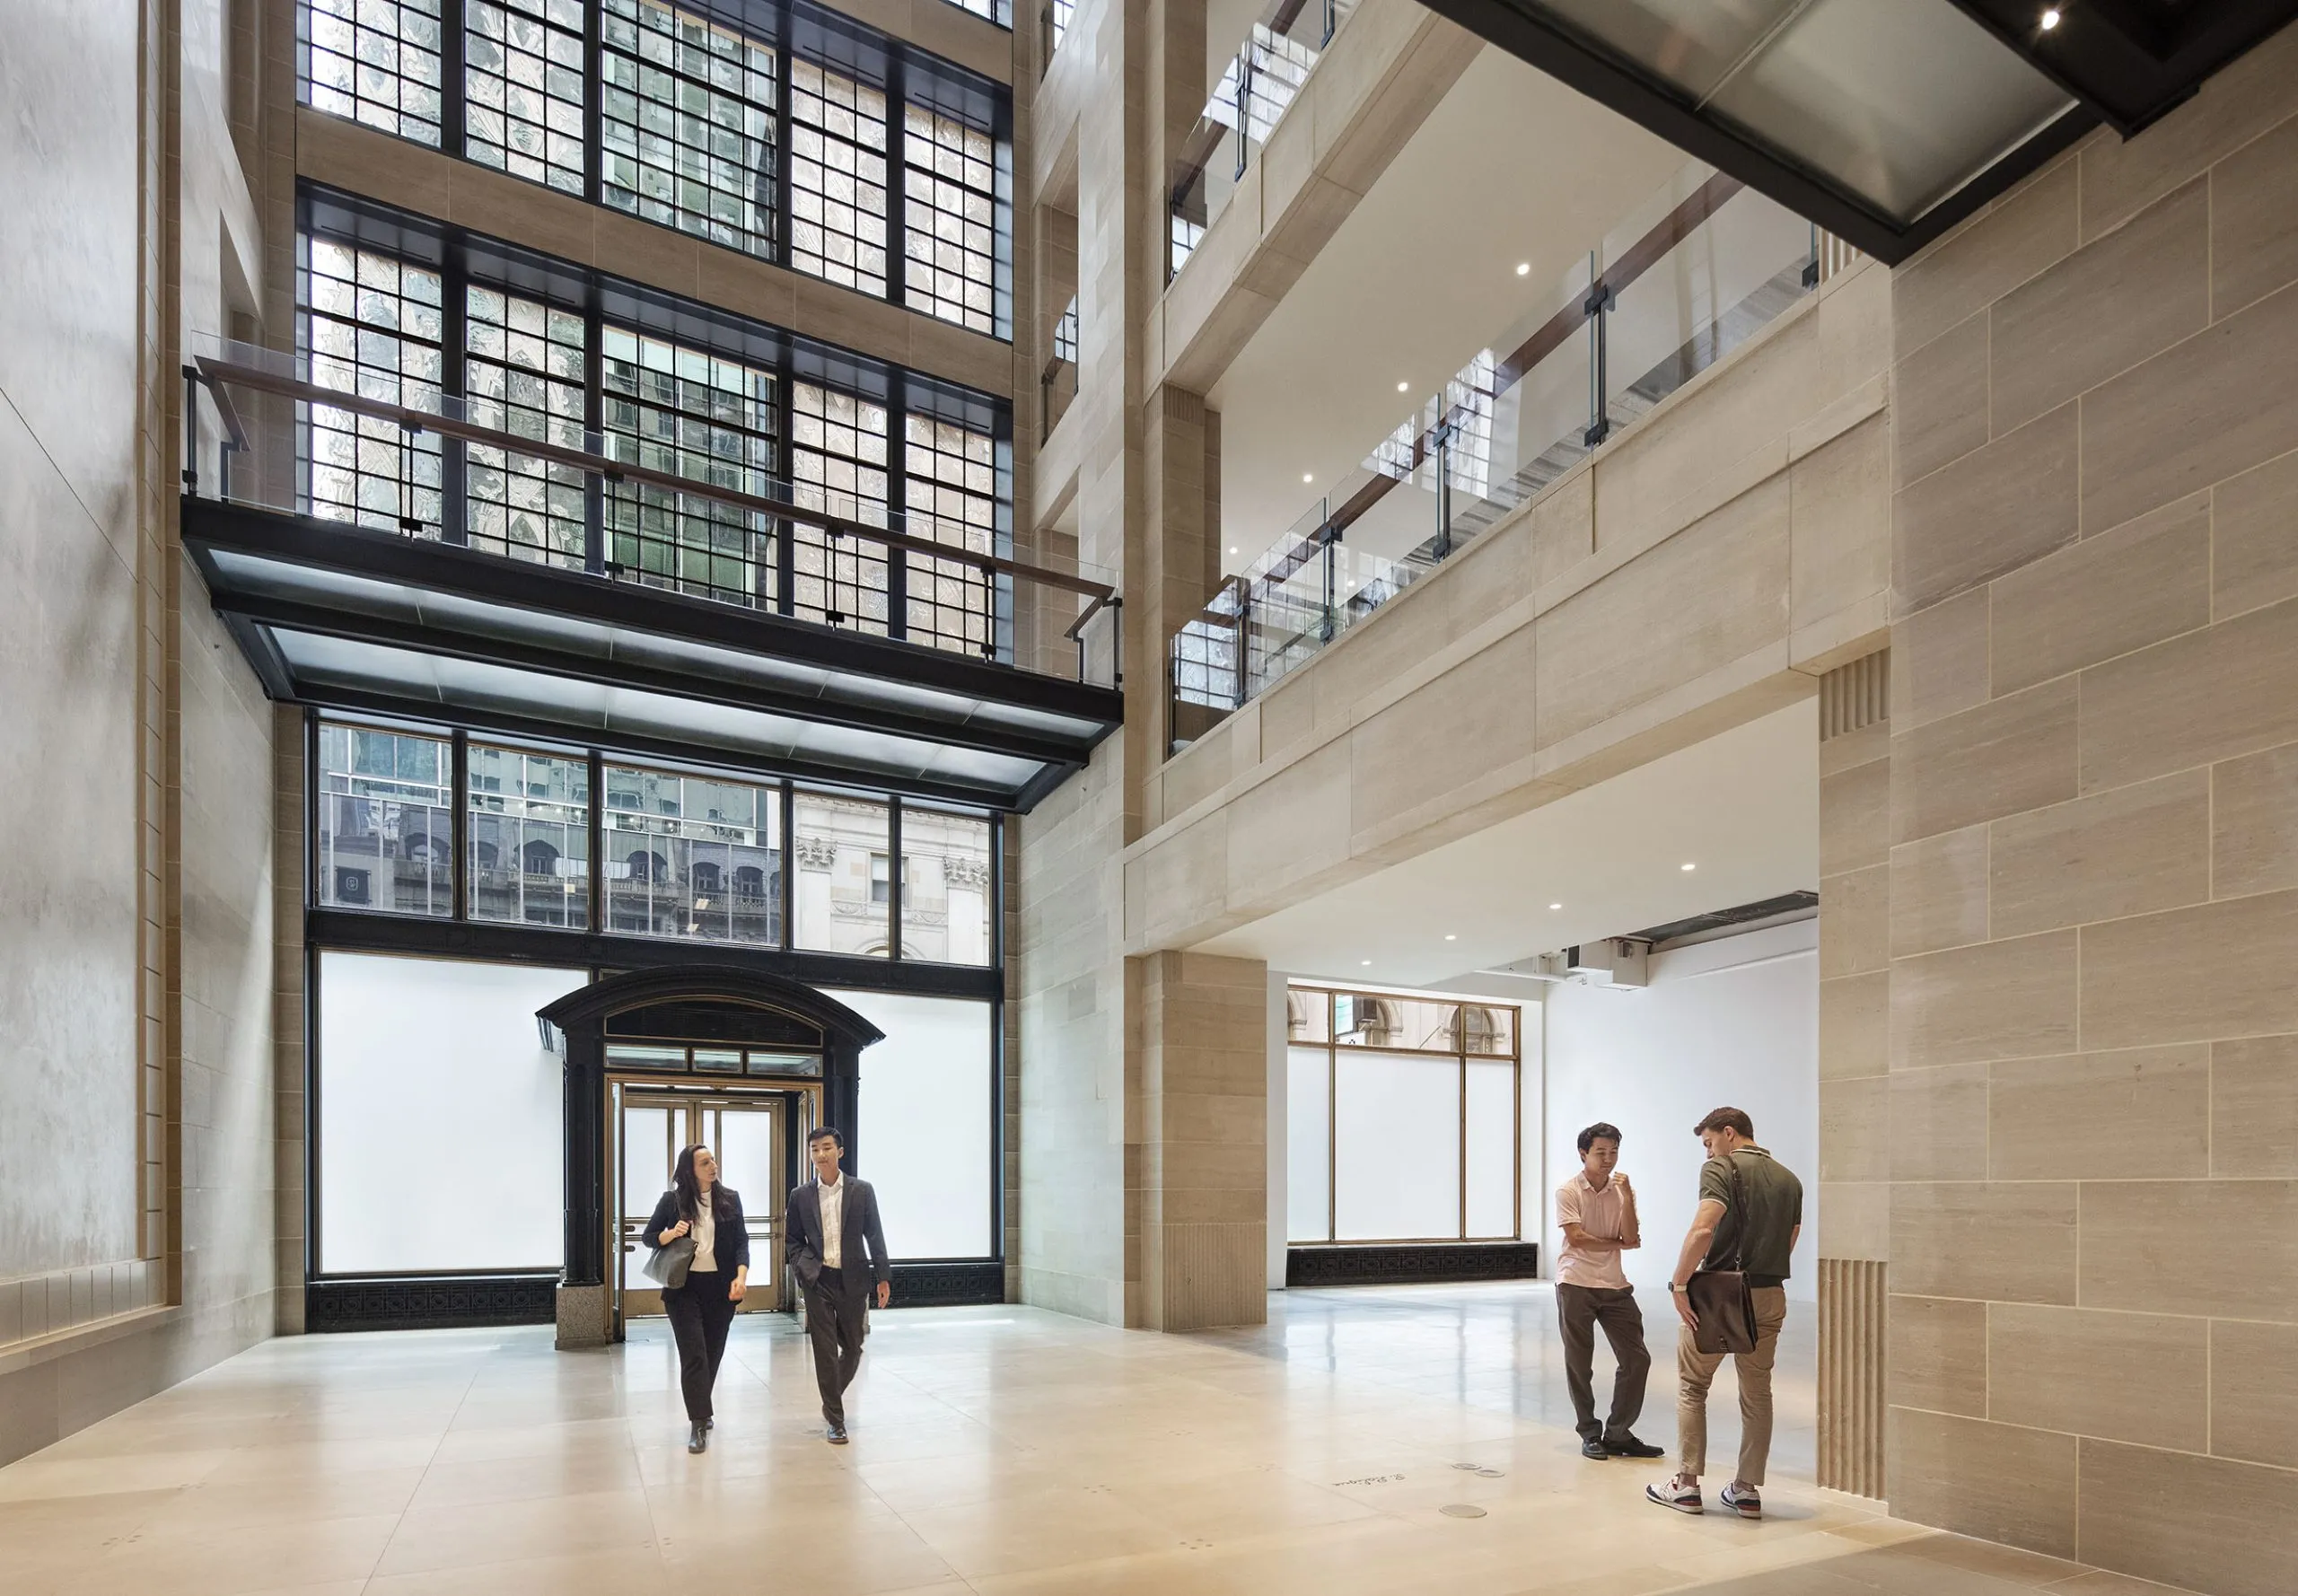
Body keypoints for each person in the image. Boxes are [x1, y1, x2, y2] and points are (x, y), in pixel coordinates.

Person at [1646, 1107, 1803, 1521]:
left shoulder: (1722, 1169)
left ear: (1729, 1133)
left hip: (1720, 1295)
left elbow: (1704, 1227)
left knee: (1692, 1386)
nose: (1708, 1153)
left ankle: (1686, 1486)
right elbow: (1791, 1237)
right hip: (1770, 1294)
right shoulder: (1790, 1179)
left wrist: (1680, 1284)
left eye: (1709, 1143)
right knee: (1757, 1394)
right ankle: (1747, 1491)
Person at [1554, 1122, 1662, 1460]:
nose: (1608, 1159)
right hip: (1575, 1281)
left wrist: (1628, 1197)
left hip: (1614, 1285)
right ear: (1583, 1153)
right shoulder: (1568, 1191)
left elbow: (1632, 1237)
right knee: (1579, 1361)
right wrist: (1617, 1244)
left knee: (1636, 1358)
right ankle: (1589, 1432)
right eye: (1601, 1152)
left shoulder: (1621, 1191)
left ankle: (1617, 1433)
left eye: (1613, 1152)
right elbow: (1577, 1238)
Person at [786, 1126, 890, 1444]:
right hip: (818, 1280)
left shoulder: (862, 1190)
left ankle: (830, 1397)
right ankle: (836, 1418)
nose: (820, 1155)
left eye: (827, 1148)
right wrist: (803, 1268)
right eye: (815, 1149)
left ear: (840, 1152)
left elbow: (874, 1233)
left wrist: (883, 1276)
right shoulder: (800, 1195)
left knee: (854, 1347)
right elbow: (792, 1240)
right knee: (825, 1350)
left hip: (853, 1278)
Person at [644, 1144, 750, 1455]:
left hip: (720, 1288)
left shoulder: (730, 1199)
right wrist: (671, 1233)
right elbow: (649, 1237)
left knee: (712, 1353)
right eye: (705, 1162)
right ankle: (698, 1422)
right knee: (694, 1355)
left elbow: (742, 1242)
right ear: (690, 1170)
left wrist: (741, 1277)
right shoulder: (673, 1201)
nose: (713, 1165)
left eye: (713, 1159)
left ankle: (701, 1404)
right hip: (683, 1289)